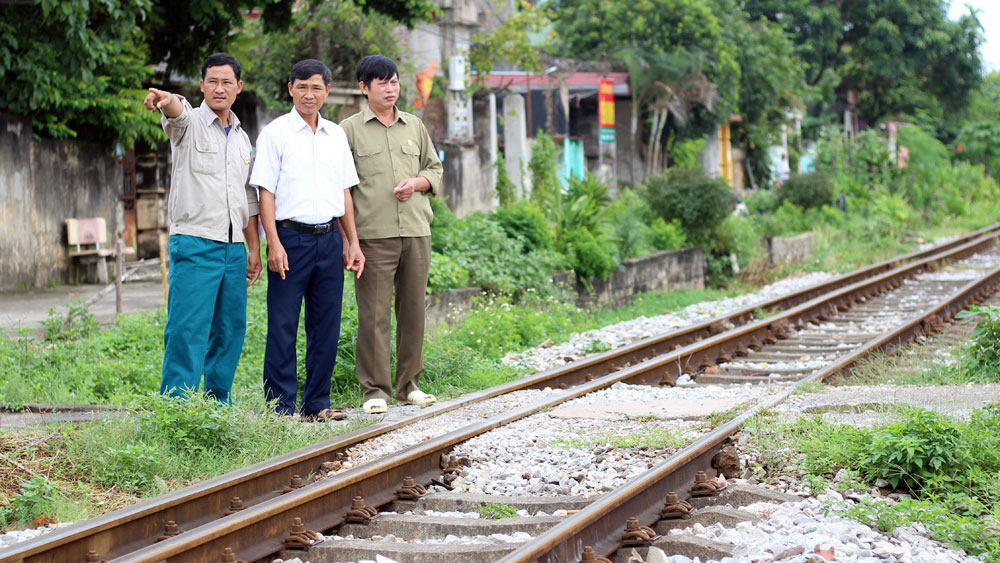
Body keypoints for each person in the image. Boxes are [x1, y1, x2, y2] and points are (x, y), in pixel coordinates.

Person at [250, 59, 364, 421]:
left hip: (329, 240)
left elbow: (344, 192)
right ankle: (280, 408)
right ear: (290, 89)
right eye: (302, 87)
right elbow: (265, 192)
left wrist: (352, 242)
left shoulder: (336, 135)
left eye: (316, 87)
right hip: (290, 239)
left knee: (326, 325)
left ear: (327, 91)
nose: (309, 94)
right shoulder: (275, 133)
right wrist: (274, 242)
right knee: (283, 325)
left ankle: (317, 404)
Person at [143, 53, 261, 404]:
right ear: (202, 86)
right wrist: (168, 100)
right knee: (187, 330)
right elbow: (175, 113)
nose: (219, 88)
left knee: (230, 331)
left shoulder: (242, 139)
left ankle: (216, 407)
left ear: (239, 87)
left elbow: (248, 199)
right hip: (195, 243)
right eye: (212, 81)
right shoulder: (190, 123)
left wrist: (254, 249)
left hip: (233, 248)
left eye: (227, 82)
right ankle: (176, 409)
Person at [341, 55, 443, 415]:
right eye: (382, 82)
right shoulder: (348, 130)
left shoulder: (414, 126)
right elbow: (343, 189)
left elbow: (435, 168)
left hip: (416, 230)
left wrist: (418, 182)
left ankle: (409, 385)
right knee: (373, 314)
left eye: (394, 82)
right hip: (371, 235)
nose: (390, 88)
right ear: (364, 87)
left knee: (414, 310)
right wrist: (349, 240)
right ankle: (375, 390)